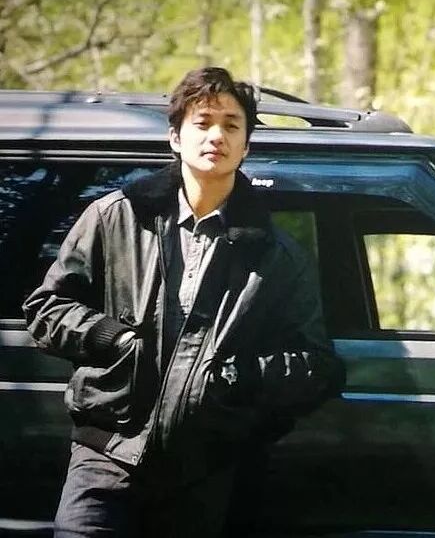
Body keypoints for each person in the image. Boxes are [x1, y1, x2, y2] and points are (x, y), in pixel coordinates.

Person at [23, 67, 344, 537]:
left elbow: (317, 364)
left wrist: (242, 377)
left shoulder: (276, 255)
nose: (217, 135)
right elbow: (46, 308)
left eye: (231, 125)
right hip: (105, 456)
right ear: (175, 137)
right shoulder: (116, 217)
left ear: (246, 145)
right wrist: (112, 339)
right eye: (203, 122)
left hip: (203, 472)